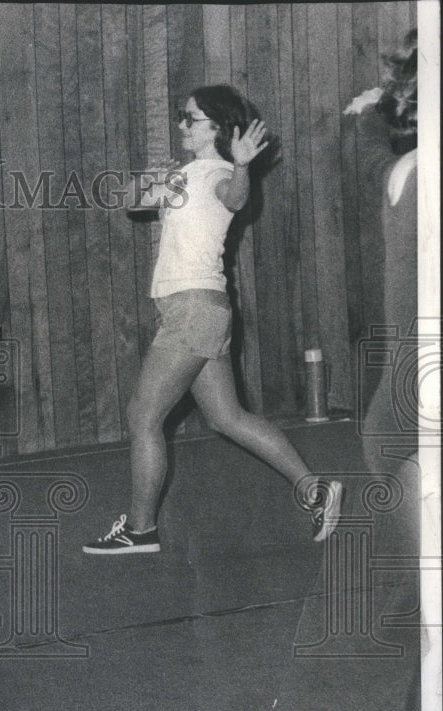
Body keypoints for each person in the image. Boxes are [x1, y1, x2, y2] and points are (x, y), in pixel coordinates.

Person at [83, 85, 343, 555]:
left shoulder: (222, 173)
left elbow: (237, 198)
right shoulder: (187, 174)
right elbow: (130, 203)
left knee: (143, 417)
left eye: (191, 119)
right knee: (227, 417)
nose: (181, 125)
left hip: (194, 310)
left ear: (218, 129)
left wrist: (242, 163)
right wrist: (150, 176)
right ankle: (315, 488)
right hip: (198, 310)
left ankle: (141, 531)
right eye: (182, 117)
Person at [345, 30, 418, 538]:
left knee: (383, 441)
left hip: (418, 372)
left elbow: (373, 162)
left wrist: (370, 113)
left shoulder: (410, 173)